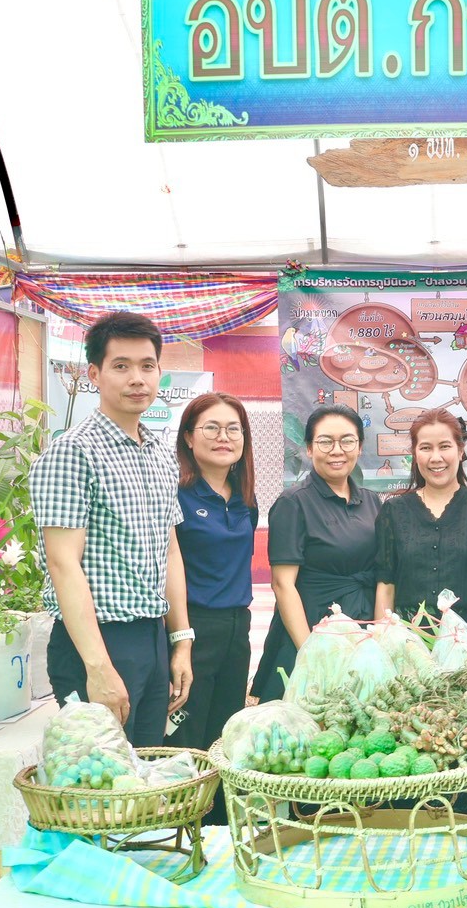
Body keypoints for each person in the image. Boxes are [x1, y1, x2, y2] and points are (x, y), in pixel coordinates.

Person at [31, 312, 192, 747]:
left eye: (147, 366)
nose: (137, 378)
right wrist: (98, 667)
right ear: (94, 374)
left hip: (151, 637)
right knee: (100, 776)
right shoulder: (72, 453)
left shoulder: (159, 452)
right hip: (97, 641)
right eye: (121, 366)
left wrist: (180, 641)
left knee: (146, 768)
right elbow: (63, 565)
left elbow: (170, 551)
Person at [251, 404, 381, 701]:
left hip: (362, 631)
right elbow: (283, 584)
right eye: (325, 441)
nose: (337, 450)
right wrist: (311, 653)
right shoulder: (294, 503)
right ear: (309, 449)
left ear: (359, 447)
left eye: (347, 441)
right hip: (312, 629)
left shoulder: (372, 502)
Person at [166, 392, 257, 760]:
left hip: (237, 630)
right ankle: (185, 799)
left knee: (225, 737)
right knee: (184, 737)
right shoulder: (176, 494)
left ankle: (219, 801)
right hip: (192, 628)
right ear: (189, 437)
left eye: (234, 429)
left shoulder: (245, 497)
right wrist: (180, 641)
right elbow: (167, 566)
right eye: (212, 428)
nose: (224, 437)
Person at [374, 409, 467, 639]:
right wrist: (384, 647)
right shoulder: (393, 511)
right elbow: (386, 588)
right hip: (409, 646)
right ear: (415, 454)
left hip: (466, 644)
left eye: (445, 446)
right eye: (426, 448)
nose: (436, 457)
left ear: (460, 451)